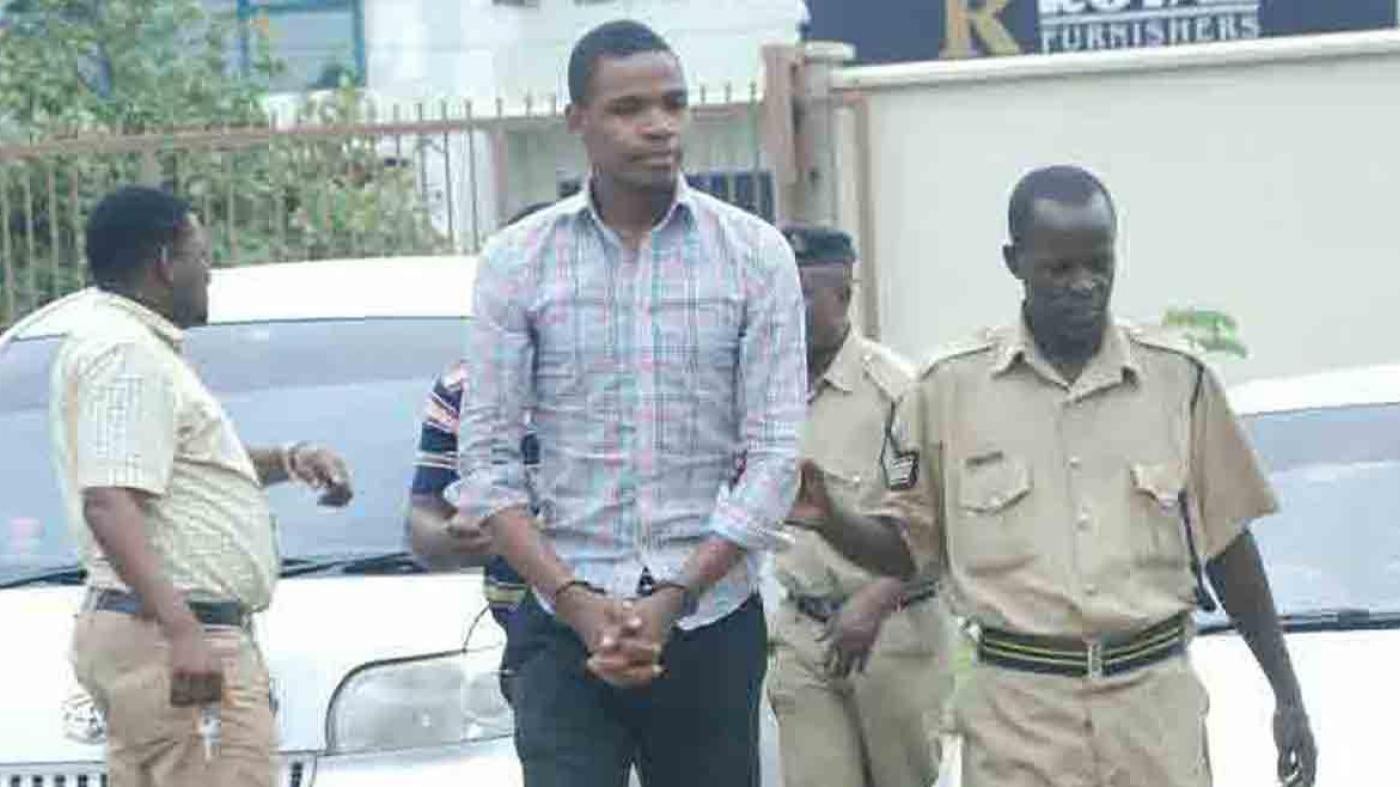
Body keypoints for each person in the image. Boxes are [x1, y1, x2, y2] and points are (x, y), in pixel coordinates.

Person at [791, 166, 1317, 787]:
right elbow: (906, 548)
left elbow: (1230, 547)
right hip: (1018, 718)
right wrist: (832, 519)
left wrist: (1286, 694)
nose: (1084, 285)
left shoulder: (1181, 382)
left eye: (1099, 264)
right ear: (1015, 262)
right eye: (1058, 269)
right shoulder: (943, 392)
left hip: (1152, 711)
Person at [454, 19, 806, 787]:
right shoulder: (518, 261)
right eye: (629, 108)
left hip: (710, 620)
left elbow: (776, 457)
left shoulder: (754, 255)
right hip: (561, 620)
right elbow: (483, 460)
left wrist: (675, 597)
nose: (658, 125)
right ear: (577, 119)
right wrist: (577, 602)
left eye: (674, 104)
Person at [50, 186, 354, 787]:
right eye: (201, 254)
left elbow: (169, 470)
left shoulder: (126, 345)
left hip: (157, 630)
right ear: (166, 262)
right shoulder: (125, 352)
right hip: (171, 635)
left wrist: (288, 460)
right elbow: (110, 502)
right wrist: (182, 630)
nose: (208, 271)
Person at [766, 225, 954, 787]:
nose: (784, 311)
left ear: (843, 298)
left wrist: (871, 604)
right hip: (804, 633)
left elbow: (934, 522)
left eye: (800, 296)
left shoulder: (896, 392)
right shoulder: (764, 389)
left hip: (892, 634)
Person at [406, 200, 554, 702]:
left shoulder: (642, 380)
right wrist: (454, 537)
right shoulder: (462, 388)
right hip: (531, 647)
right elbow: (422, 520)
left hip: (642, 630)